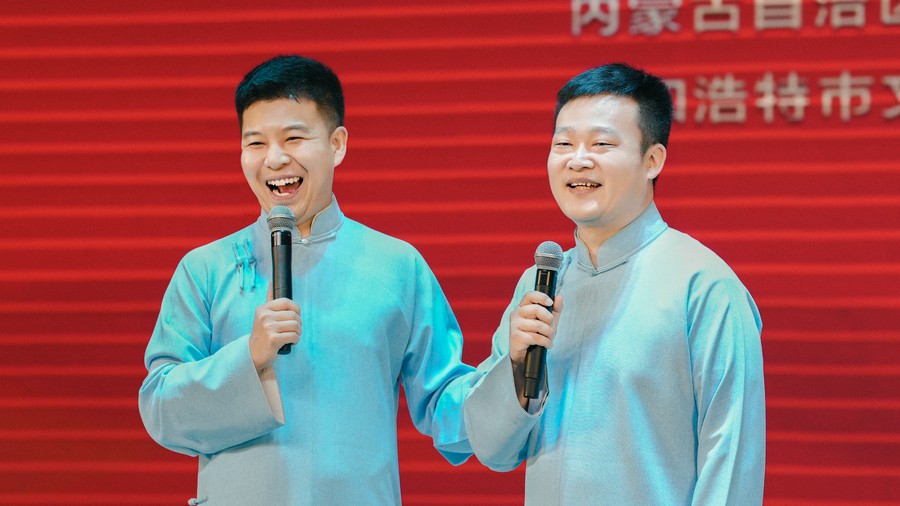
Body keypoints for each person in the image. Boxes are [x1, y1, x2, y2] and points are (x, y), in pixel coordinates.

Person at [138, 54, 477, 505]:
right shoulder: (205, 268)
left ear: (337, 144)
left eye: (293, 138)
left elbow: (444, 401)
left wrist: (517, 378)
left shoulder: (397, 265)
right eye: (255, 143)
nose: (275, 158)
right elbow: (161, 409)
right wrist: (249, 356)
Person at [463, 63, 765, 505]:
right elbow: (492, 449)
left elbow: (730, 465)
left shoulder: (705, 286)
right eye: (563, 143)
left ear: (652, 160)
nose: (578, 159)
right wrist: (516, 366)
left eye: (601, 143)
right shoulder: (540, 284)